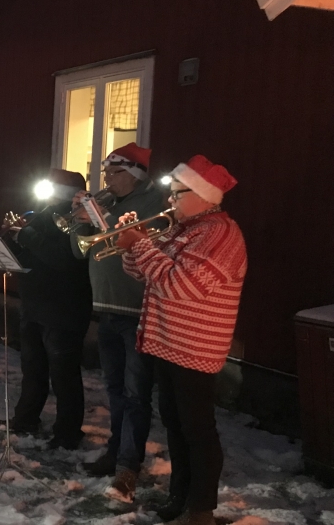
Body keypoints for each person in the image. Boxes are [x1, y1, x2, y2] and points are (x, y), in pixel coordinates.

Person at [115, 155, 247, 525]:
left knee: (197, 431)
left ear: (203, 196)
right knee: (175, 426)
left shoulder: (220, 234)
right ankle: (180, 497)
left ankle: (201, 509)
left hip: (194, 348)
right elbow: (144, 273)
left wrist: (141, 246)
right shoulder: (183, 229)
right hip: (167, 343)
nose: (170, 200)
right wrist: (131, 245)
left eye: (177, 193)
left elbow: (181, 286)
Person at [68, 143, 167, 501]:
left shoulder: (154, 202)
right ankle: (115, 451)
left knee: (136, 392)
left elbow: (136, 240)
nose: (107, 179)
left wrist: (102, 219)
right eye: (105, 172)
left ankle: (128, 465)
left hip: (137, 310)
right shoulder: (107, 202)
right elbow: (80, 251)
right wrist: (80, 223)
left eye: (114, 172)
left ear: (134, 174)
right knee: (114, 388)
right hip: (106, 308)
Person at [2, 168, 92, 450]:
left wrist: (27, 235)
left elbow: (65, 258)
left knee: (64, 375)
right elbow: (27, 253)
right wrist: (12, 236)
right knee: (33, 369)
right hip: (34, 304)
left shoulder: (77, 217)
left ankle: (67, 432)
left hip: (64, 307)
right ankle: (26, 418)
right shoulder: (43, 214)